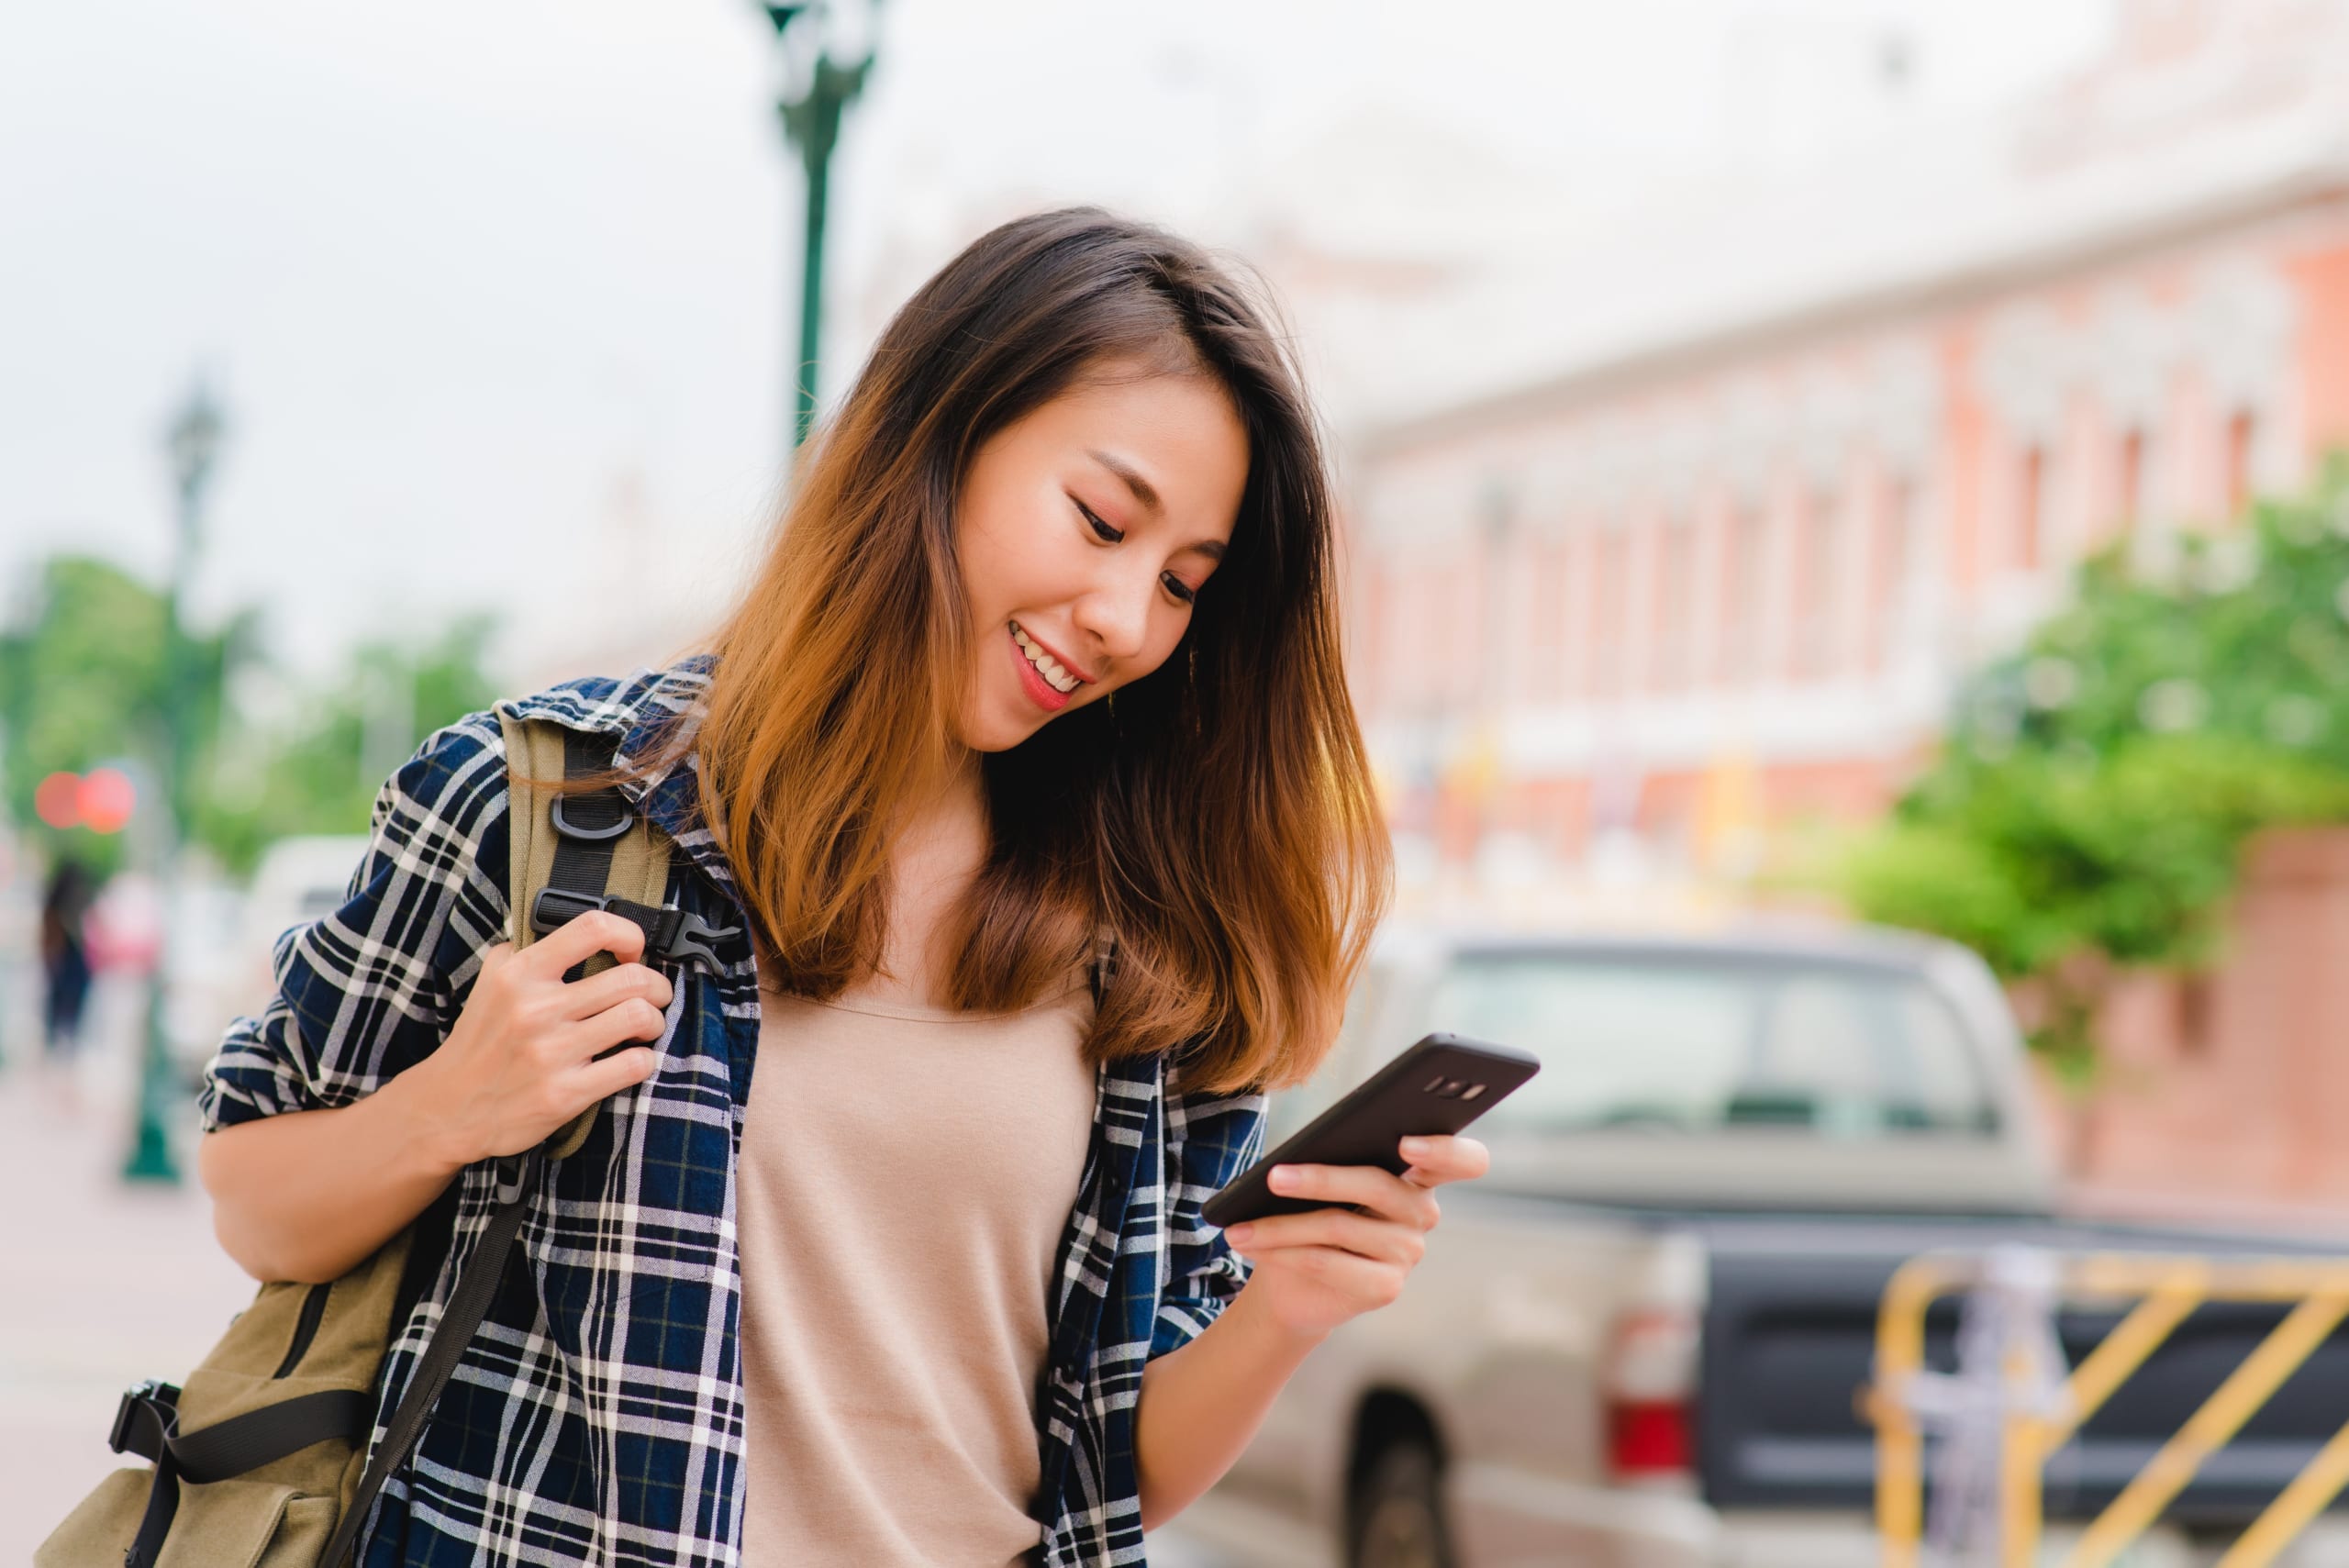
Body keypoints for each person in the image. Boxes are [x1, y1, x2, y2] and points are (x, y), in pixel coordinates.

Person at [194, 207, 1490, 1567]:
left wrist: (1287, 1303)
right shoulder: (550, 803)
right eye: (1101, 520)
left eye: (1180, 584)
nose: (1126, 617)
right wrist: (450, 1106)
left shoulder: (1153, 938)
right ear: (938, 433)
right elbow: (255, 1197)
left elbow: (1113, 1478)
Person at [39, 857, 97, 1096]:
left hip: (64, 964)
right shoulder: (76, 900)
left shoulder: (57, 902)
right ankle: (65, 1065)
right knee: (71, 1022)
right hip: (74, 965)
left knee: (58, 1018)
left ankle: (58, 1062)